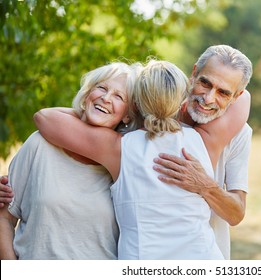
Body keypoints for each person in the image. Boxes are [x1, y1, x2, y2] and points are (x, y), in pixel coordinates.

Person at [32, 59, 249, 259]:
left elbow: (45, 118)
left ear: (134, 105)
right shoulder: (205, 141)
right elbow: (244, 97)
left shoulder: (118, 147)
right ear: (182, 100)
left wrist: (88, 108)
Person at [0, 61, 143, 259]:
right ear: (87, 94)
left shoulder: (125, 162)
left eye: (119, 96)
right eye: (101, 88)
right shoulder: (39, 144)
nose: (106, 98)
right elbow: (4, 219)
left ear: (127, 116)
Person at [152, 45, 253, 259]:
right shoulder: (159, 111)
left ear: (237, 96)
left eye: (223, 92)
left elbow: (236, 214)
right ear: (194, 73)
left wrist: (205, 186)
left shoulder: (240, 133)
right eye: (205, 83)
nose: (208, 98)